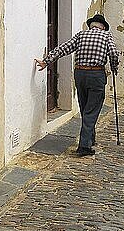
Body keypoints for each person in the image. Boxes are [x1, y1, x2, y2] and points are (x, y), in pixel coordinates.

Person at [35, 14, 119, 157]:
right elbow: (113, 53)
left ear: (91, 25)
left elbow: (63, 49)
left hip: (80, 74)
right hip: (96, 75)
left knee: (85, 106)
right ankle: (84, 146)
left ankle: (90, 138)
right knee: (92, 110)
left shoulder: (81, 35)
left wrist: (46, 61)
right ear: (103, 27)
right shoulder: (106, 36)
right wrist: (114, 67)